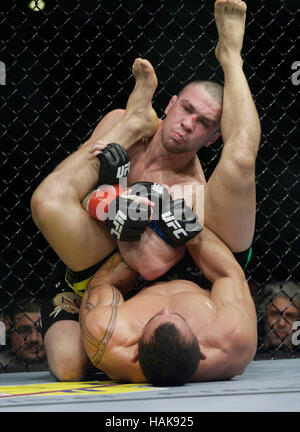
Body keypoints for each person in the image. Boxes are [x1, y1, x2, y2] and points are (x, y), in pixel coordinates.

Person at [31, 0, 261, 381]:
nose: (188, 124)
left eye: (203, 123)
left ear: (212, 137)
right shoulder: (115, 122)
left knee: (74, 368)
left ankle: (230, 56)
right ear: (170, 104)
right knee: (47, 202)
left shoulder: (193, 190)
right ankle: (137, 119)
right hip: (99, 251)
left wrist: (123, 205)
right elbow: (77, 194)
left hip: (130, 266)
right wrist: (109, 198)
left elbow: (149, 264)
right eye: (186, 109)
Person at [78, 226, 257, 385]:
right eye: (179, 316)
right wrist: (190, 232)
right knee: (238, 186)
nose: (165, 310)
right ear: (202, 351)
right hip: (199, 267)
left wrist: (139, 244)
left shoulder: (108, 337)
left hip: (136, 272)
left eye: (154, 318)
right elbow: (229, 275)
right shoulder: (233, 337)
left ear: (135, 353)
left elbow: (102, 285)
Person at [0, 298, 48, 372]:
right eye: (25, 331)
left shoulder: (64, 363)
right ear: (10, 333)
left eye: (41, 330)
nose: (34, 339)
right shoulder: (2, 364)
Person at [256, 281, 300, 355]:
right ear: (264, 316)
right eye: (275, 314)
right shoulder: (247, 357)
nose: (281, 323)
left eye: (290, 316)